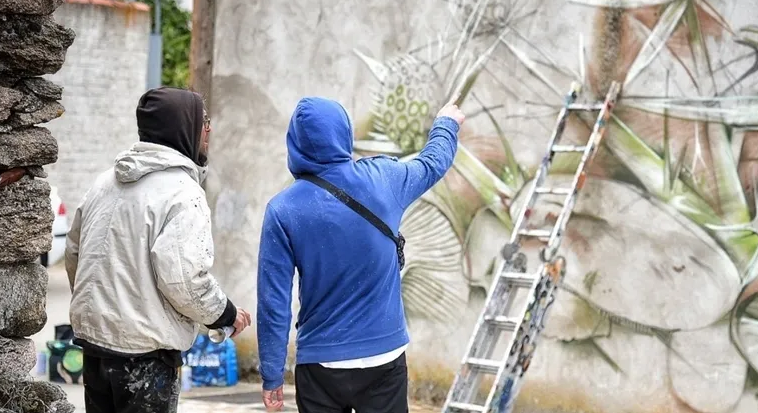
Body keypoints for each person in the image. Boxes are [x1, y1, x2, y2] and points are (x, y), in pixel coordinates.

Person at [257, 97, 464, 412]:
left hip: (320, 364)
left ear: (294, 143)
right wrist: (446, 124)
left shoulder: (282, 210)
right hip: (384, 358)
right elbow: (431, 163)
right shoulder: (384, 179)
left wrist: (272, 375)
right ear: (344, 132)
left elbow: (273, 303)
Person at [64, 87, 252, 413]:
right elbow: (185, 280)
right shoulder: (182, 193)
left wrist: (104, 310)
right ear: (183, 127)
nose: (208, 130)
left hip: (96, 348)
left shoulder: (103, 183)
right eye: (204, 121)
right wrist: (225, 314)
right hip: (146, 359)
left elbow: (74, 256)